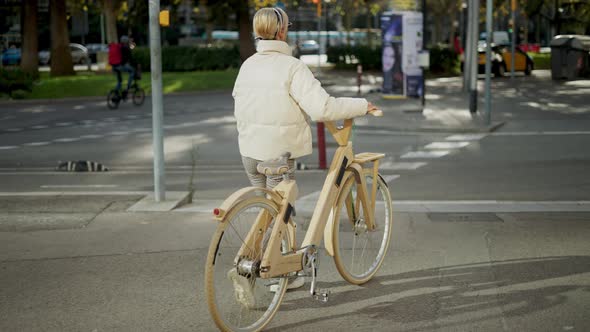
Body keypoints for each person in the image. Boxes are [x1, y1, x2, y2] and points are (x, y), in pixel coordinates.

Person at [232, 7, 380, 290]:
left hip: (249, 151)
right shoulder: (293, 67)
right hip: (277, 154)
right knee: (283, 212)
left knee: (268, 209)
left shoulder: (248, 64)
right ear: (282, 31)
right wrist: (362, 105)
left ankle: (258, 260)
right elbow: (322, 108)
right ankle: (280, 274)